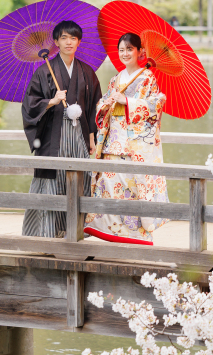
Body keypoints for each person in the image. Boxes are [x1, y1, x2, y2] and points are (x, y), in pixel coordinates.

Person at [84, 32, 169, 245]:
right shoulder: (116, 78)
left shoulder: (148, 77)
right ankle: (107, 230)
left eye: (129, 49)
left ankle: (135, 234)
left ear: (140, 52)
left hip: (134, 145)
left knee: (133, 188)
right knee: (109, 185)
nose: (124, 53)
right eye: (121, 50)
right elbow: (102, 105)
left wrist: (128, 101)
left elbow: (155, 106)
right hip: (113, 140)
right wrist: (107, 104)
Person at [21, 20, 102, 238]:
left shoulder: (87, 72)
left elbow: (95, 105)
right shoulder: (43, 72)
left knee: (80, 180)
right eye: (64, 38)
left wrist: (93, 137)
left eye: (73, 38)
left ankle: (76, 229)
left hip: (80, 136)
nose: (68, 42)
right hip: (53, 137)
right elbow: (29, 105)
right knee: (52, 181)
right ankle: (47, 232)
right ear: (56, 42)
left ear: (79, 42)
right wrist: (51, 101)